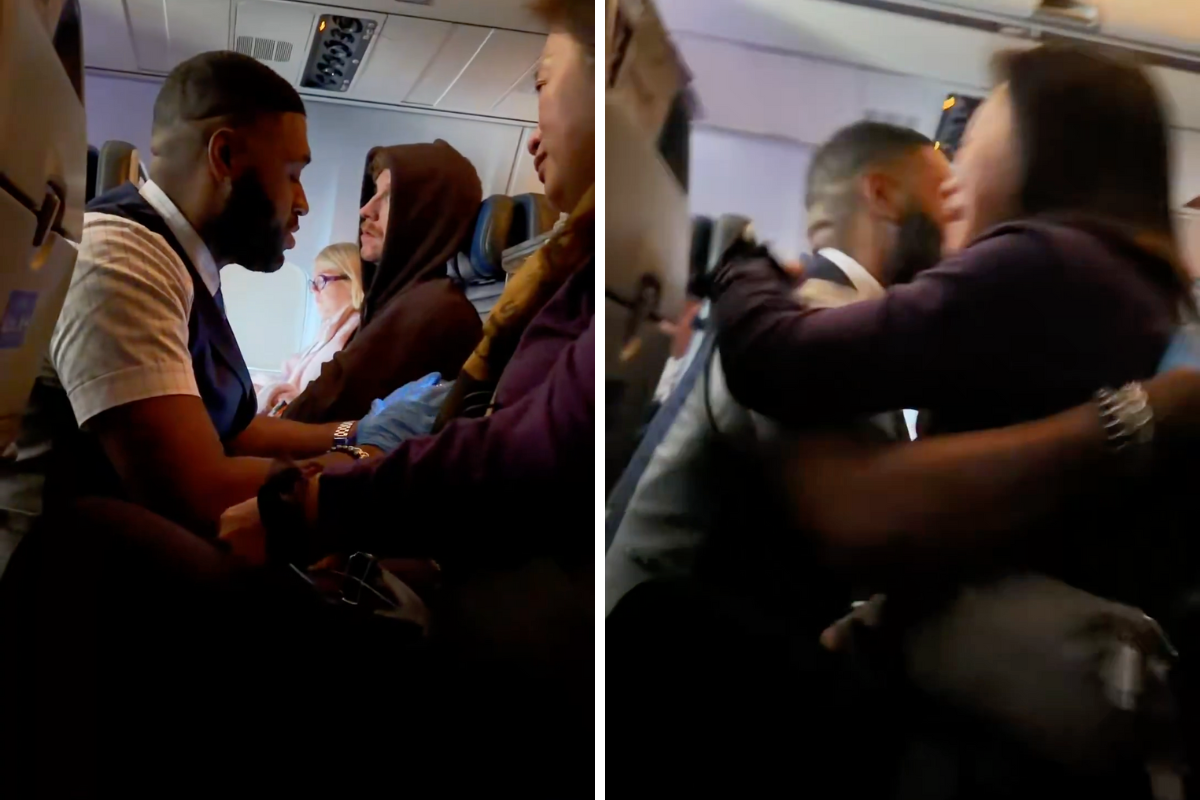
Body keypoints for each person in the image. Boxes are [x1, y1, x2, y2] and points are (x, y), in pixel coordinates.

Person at [280, 140, 483, 423]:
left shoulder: (432, 311)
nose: (365, 209)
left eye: (388, 197)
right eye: (374, 193)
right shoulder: (393, 303)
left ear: (425, 213)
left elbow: (328, 411)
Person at [255, 242, 363, 414]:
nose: (313, 289)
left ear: (353, 280)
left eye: (322, 280)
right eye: (313, 282)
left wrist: (269, 394)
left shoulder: (355, 333)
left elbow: (313, 405)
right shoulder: (329, 331)